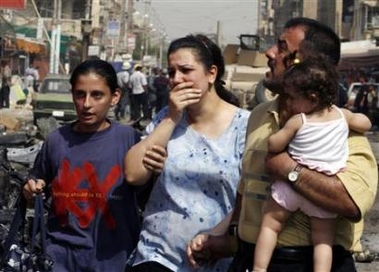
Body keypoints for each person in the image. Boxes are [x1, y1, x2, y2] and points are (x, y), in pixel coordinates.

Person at [187, 17, 378, 272]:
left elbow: (352, 202)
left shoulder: (337, 124)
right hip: (251, 260)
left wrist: (290, 169)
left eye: (282, 47)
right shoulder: (259, 114)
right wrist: (227, 239)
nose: (270, 52)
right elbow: (248, 192)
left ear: (310, 66)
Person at [22, 59, 164, 271]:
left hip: (113, 259)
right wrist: (31, 190)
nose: (87, 104)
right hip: (59, 258)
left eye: (97, 95)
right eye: (80, 94)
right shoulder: (56, 140)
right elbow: (35, 184)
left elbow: (148, 199)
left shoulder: (129, 140)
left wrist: (158, 171)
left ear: (114, 97)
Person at [124, 34, 250, 271]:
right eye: (172, 72)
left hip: (216, 257)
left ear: (211, 74)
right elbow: (133, 174)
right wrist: (172, 118)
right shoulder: (166, 117)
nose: (177, 79)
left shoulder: (244, 126)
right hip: (157, 255)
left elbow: (251, 196)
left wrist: (218, 237)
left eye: (186, 70)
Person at [253, 58, 372, 272]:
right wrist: (355, 121)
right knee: (323, 240)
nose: (288, 102)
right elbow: (364, 123)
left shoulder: (299, 120)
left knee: (270, 226)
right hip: (322, 189)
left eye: (292, 97)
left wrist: (275, 142)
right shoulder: (341, 115)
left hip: (290, 188)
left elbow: (274, 144)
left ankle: (260, 268)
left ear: (312, 98)